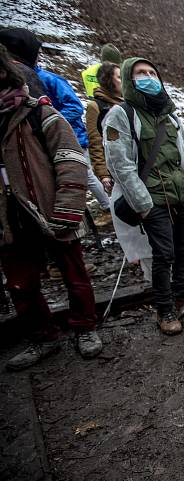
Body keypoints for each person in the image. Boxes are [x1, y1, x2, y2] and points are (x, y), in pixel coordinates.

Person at [0, 46, 103, 369]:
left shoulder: (37, 113)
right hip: (7, 218)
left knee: (74, 273)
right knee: (21, 283)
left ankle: (85, 327)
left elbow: (71, 160)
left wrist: (68, 208)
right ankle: (42, 336)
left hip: (49, 208)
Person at [103, 56, 184, 334]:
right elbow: (120, 164)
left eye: (153, 72)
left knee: (183, 249)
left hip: (181, 194)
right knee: (163, 254)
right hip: (153, 198)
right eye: (141, 73)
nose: (149, 77)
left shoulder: (169, 114)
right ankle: (164, 308)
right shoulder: (121, 115)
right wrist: (142, 203)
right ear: (130, 79)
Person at [0, 28, 111, 214]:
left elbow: (74, 106)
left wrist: (50, 122)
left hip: (71, 137)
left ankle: (106, 206)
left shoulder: (49, 79)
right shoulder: (25, 78)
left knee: (84, 174)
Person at [85, 62, 123, 197]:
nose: (123, 81)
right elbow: (95, 141)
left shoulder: (125, 102)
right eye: (119, 77)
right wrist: (103, 174)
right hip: (113, 168)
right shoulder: (96, 106)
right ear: (108, 80)